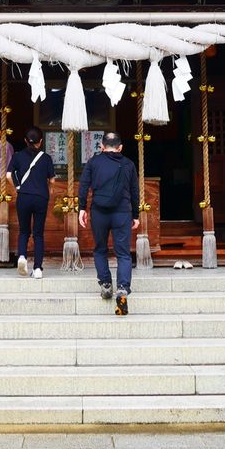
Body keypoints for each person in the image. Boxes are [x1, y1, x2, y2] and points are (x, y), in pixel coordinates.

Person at [77, 132, 140, 316]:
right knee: (123, 253)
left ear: (102, 146)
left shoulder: (93, 162)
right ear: (120, 147)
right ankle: (122, 289)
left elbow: (83, 185)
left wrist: (82, 208)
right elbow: (135, 191)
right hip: (122, 213)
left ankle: (105, 284)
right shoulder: (128, 164)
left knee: (100, 249)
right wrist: (135, 214)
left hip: (99, 212)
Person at [6, 127, 55, 279]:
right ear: (41, 142)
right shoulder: (46, 158)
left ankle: (22, 256)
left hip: (24, 196)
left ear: (26, 141)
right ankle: (38, 269)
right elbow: (52, 179)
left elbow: (8, 175)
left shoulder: (18, 156)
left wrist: (18, 187)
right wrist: (50, 190)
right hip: (41, 197)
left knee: (24, 231)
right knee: (38, 234)